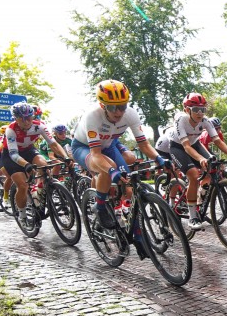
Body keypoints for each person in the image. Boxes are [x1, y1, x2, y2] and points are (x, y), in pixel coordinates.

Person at [71, 80, 166, 230]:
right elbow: (96, 154)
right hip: (84, 147)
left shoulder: (131, 114)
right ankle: (100, 206)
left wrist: (159, 159)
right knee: (109, 168)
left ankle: (130, 222)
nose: (118, 112)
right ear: (103, 106)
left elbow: (144, 145)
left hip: (109, 145)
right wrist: (110, 170)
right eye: (112, 107)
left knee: (128, 184)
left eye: (122, 107)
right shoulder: (92, 116)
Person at [168, 93, 227, 230]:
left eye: (203, 109)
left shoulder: (205, 121)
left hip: (195, 145)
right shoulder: (181, 120)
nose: (200, 113)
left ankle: (201, 195)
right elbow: (186, 147)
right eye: (195, 109)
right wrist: (201, 158)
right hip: (178, 147)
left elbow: (217, 141)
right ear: (187, 110)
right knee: (193, 175)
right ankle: (193, 216)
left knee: (212, 167)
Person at [2, 102, 71, 227]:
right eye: (23, 118)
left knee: (44, 166)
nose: (27, 121)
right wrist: (26, 164)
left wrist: (65, 157)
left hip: (28, 150)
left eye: (29, 117)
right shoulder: (11, 129)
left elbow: (54, 144)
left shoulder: (39, 126)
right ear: (16, 118)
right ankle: (22, 215)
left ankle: (38, 191)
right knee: (22, 185)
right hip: (11, 155)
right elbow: (13, 154)